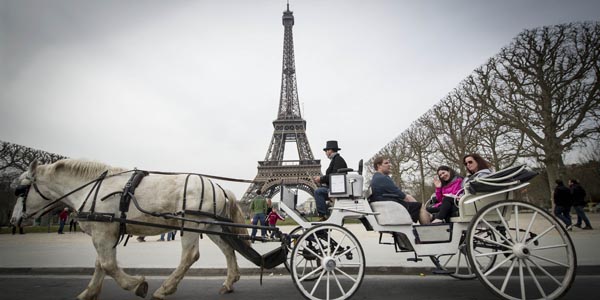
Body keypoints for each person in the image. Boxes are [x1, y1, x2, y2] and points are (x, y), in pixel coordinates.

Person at [369, 156, 429, 224]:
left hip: (387, 207)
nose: (389, 165)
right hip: (392, 208)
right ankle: (428, 230)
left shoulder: (376, 178)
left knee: (416, 204)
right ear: (379, 165)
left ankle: (430, 217)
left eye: (389, 163)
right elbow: (402, 195)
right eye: (386, 163)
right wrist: (410, 199)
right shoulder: (382, 178)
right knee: (420, 206)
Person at [313, 140, 347, 220]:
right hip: (336, 187)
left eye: (326, 151)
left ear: (330, 150)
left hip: (337, 189)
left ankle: (323, 215)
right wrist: (322, 182)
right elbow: (333, 177)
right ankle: (325, 213)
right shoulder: (336, 159)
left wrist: (320, 179)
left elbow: (334, 176)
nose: (325, 153)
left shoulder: (337, 160)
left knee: (318, 192)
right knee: (320, 191)